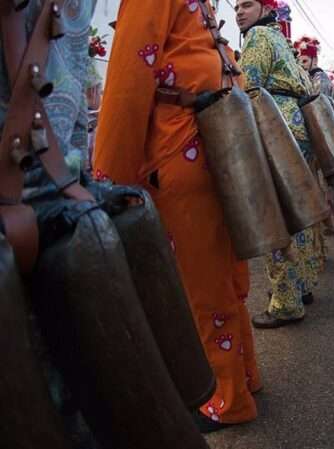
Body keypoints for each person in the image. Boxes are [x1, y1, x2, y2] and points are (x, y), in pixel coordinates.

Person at [94, 0, 261, 432]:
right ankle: (242, 378)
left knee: (197, 285)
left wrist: (107, 182)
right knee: (219, 276)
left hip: (179, 148)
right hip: (213, 144)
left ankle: (224, 398)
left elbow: (127, 87)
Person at [236, 0, 324, 328]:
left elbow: (246, 88)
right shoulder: (280, 40)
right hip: (297, 126)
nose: (239, 12)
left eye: (247, 5)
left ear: (264, 9)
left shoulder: (258, 37)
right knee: (298, 210)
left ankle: (286, 302)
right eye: (236, 6)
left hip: (276, 128)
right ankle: (302, 285)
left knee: (276, 216)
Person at [294, 35, 334, 235]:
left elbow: (315, 110)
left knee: (323, 181)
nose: (301, 65)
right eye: (300, 61)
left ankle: (328, 223)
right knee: (323, 182)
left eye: (304, 61)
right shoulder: (314, 77)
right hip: (321, 133)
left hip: (321, 134)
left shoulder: (320, 80)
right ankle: (327, 222)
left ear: (314, 59)